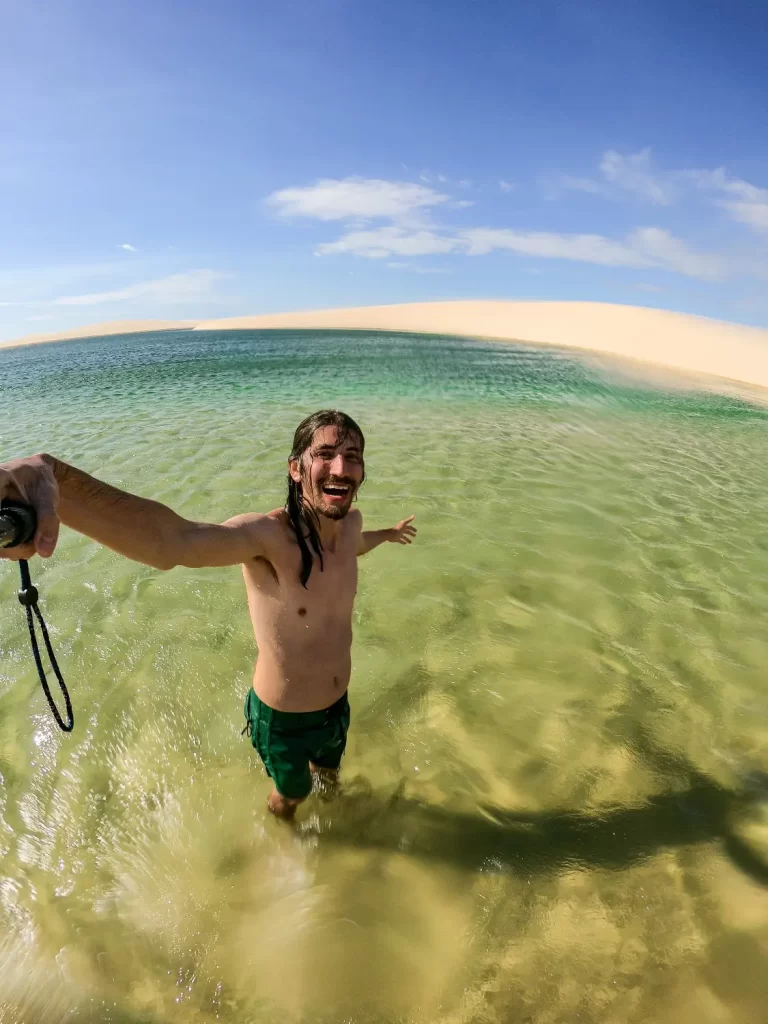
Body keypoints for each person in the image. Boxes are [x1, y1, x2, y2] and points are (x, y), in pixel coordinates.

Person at [0, 409, 416, 819]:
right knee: (292, 795)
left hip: (336, 707)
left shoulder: (350, 524)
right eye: (324, 454)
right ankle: (284, 839)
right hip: (284, 722)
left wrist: (388, 535)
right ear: (295, 468)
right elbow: (174, 541)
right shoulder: (268, 538)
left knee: (328, 773)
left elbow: (356, 544)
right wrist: (57, 479)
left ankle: (335, 810)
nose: (340, 467)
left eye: (353, 456)